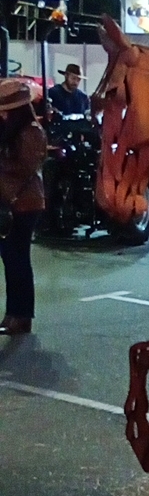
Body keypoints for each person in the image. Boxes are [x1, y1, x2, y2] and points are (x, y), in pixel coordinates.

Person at [0, 80, 47, 335]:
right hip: (14, 202)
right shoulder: (15, 130)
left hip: (24, 203)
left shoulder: (31, 132)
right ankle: (14, 314)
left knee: (17, 259)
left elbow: (25, 167)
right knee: (11, 259)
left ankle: (21, 315)